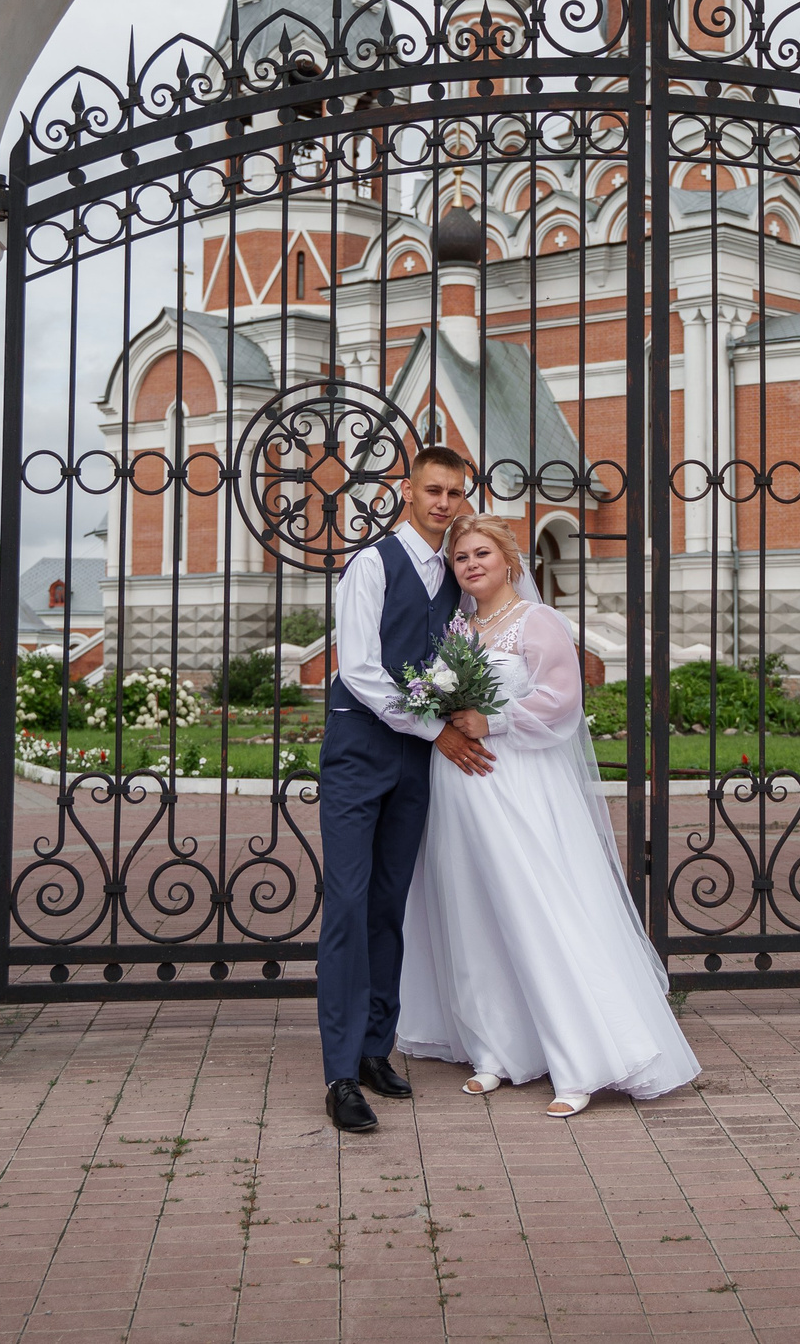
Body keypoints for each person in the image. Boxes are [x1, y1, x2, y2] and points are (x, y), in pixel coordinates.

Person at [397, 512, 700, 1118]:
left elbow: (562, 703)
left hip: (518, 783)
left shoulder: (539, 622)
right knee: (471, 910)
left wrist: (495, 720)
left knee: (537, 908)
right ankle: (494, 1051)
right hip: (460, 788)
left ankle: (581, 1060)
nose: (472, 564)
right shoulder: (458, 625)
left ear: (511, 560)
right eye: (461, 557)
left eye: (483, 553)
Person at [315, 446, 490, 1135]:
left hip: (416, 763)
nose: (443, 502)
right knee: (348, 906)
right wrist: (434, 728)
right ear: (406, 491)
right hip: (361, 752)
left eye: (454, 492)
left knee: (390, 906)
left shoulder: (454, 577)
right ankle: (337, 1074)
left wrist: (460, 716)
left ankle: (372, 1050)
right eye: (433, 490)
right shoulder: (371, 564)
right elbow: (357, 665)